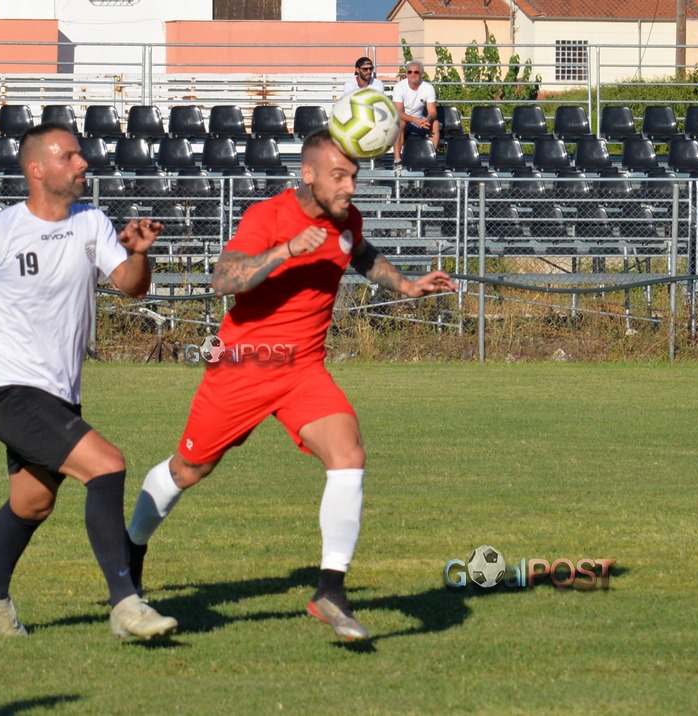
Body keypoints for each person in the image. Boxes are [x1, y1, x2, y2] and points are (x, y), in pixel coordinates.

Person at [124, 129, 457, 641]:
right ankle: (129, 555)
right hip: (243, 366)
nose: (349, 187)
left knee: (348, 454)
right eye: (338, 176)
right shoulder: (268, 217)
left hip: (303, 368)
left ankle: (330, 591)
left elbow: (360, 253)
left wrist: (407, 284)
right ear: (308, 174)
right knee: (189, 469)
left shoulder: (347, 219)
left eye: (353, 176)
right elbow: (223, 279)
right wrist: (285, 250)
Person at [0, 122, 177, 641]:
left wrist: (139, 254)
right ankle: (126, 604)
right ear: (37, 170)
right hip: (10, 393)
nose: (83, 163)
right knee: (107, 465)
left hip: (59, 396)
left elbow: (131, 287)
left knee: (33, 503)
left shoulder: (92, 222)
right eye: (69, 156)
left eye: (80, 155)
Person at [391, 59, 440, 168]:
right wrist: (415, 120)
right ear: (406, 74)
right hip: (406, 120)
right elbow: (398, 112)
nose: (412, 74)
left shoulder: (428, 88)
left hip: (420, 120)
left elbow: (432, 111)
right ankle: (397, 160)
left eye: (416, 72)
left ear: (422, 74)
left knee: (435, 124)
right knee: (400, 123)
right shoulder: (399, 87)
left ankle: (431, 158)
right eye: (410, 72)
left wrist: (428, 119)